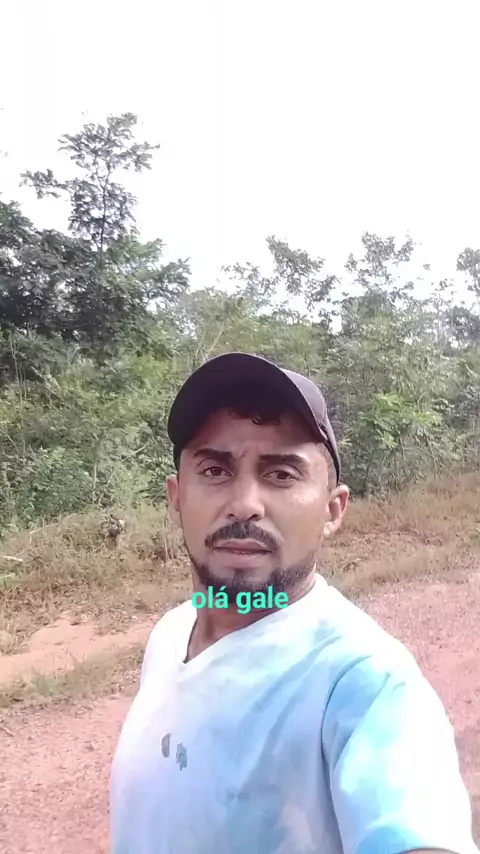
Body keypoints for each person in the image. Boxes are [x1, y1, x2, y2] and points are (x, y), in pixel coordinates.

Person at [110, 352, 478, 854]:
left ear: (333, 509)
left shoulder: (364, 681)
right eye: (215, 470)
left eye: (281, 474)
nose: (245, 504)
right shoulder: (172, 632)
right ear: (177, 497)